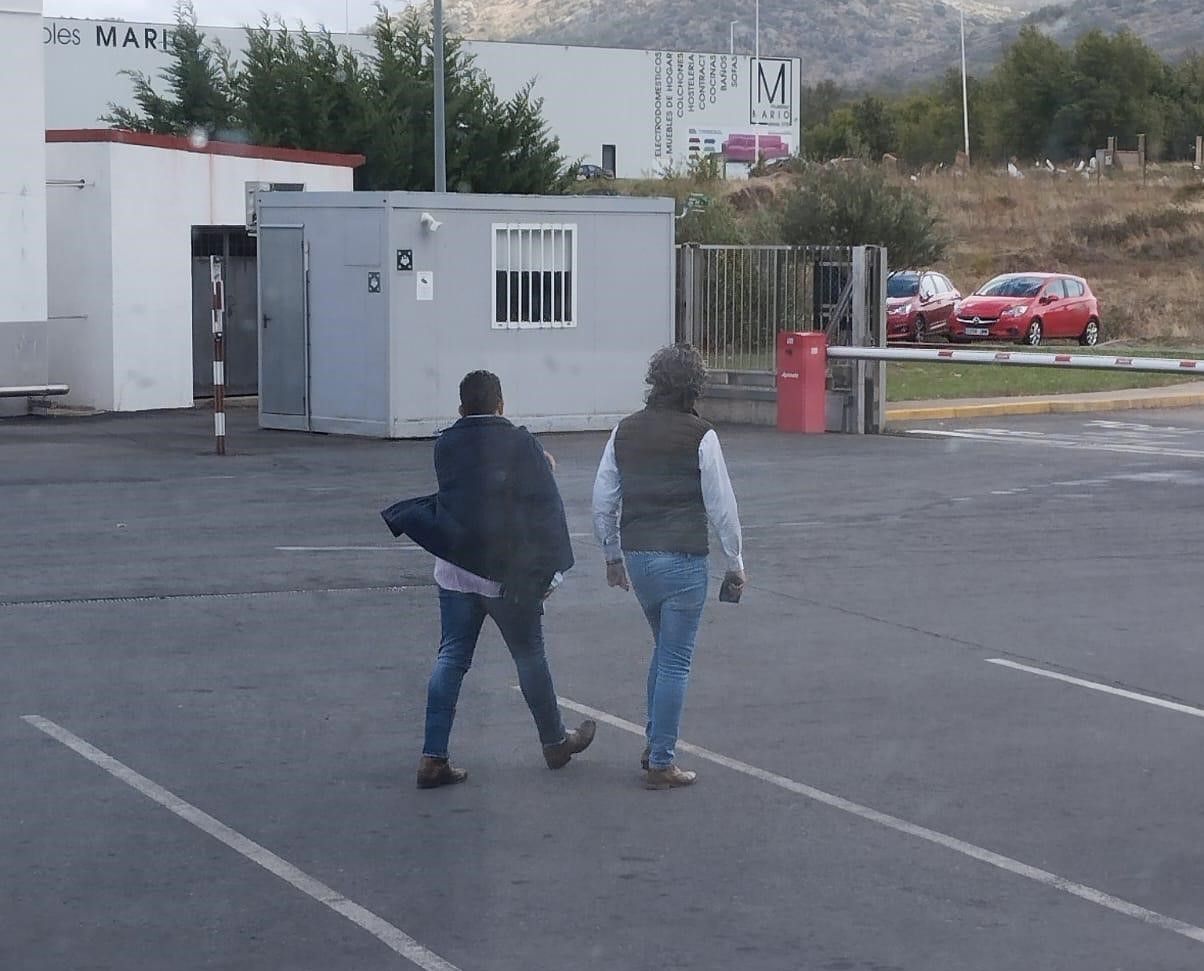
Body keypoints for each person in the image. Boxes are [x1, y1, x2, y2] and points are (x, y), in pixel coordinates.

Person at [382, 370, 595, 789]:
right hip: (506, 575)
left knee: (451, 658)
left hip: (456, 570)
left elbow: (472, 484)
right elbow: (544, 508)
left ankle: (433, 756)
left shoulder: (445, 444)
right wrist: (551, 568)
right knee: (530, 656)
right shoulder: (521, 443)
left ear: (461, 408)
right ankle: (554, 743)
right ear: (502, 404)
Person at [592, 344, 745, 790]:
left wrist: (611, 556)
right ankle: (661, 759)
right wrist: (735, 562)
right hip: (683, 559)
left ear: (654, 381)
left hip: (640, 557)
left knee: (663, 651)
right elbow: (722, 507)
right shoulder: (701, 434)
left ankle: (654, 741)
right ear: (695, 386)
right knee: (676, 661)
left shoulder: (623, 431)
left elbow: (603, 502)